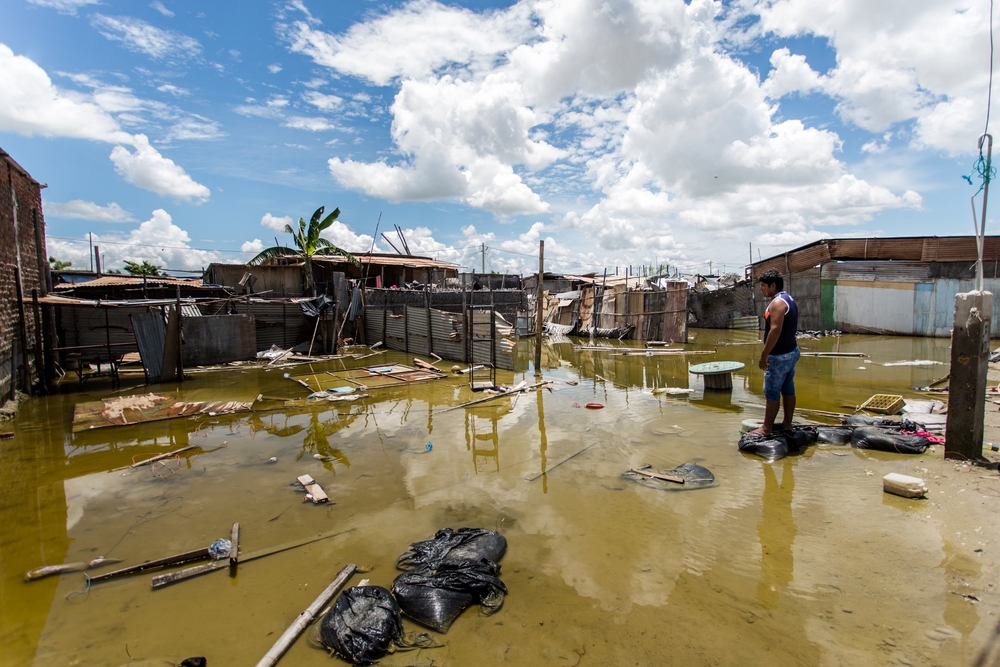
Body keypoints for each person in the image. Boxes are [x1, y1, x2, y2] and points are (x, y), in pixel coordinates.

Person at [752, 269, 800, 435]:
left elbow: (775, 330)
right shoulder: (788, 299)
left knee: (772, 390)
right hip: (791, 351)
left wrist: (764, 354)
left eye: (764, 286)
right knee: (787, 388)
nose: (761, 289)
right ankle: (787, 423)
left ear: (773, 285)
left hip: (780, 355)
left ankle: (766, 428)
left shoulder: (778, 303)